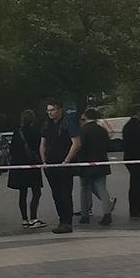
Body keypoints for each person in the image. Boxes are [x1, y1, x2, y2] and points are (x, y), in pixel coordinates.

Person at [41, 100, 80, 234]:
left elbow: (76, 142)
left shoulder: (68, 122)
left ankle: (67, 222)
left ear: (60, 110)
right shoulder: (47, 125)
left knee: (65, 194)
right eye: (48, 110)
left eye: (53, 110)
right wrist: (44, 161)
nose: (50, 113)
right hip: (51, 164)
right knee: (56, 194)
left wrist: (67, 160)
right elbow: (43, 143)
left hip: (64, 164)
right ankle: (61, 220)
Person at [10, 107, 46, 229]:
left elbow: (12, 150)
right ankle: (34, 217)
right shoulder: (36, 132)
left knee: (22, 193)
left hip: (20, 166)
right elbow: (40, 147)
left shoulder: (17, 132)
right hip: (32, 165)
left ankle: (24, 219)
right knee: (36, 192)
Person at [77, 109, 113, 227]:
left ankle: (85, 215)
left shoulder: (83, 130)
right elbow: (108, 146)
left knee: (84, 188)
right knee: (102, 188)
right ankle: (107, 214)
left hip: (85, 163)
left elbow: (80, 147)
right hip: (101, 162)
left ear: (86, 117)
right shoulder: (102, 130)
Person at [120, 109, 140, 221]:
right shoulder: (136, 125)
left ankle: (135, 209)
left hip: (130, 158)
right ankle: (135, 210)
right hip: (136, 159)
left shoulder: (128, 125)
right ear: (137, 112)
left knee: (135, 184)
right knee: (137, 185)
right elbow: (138, 143)